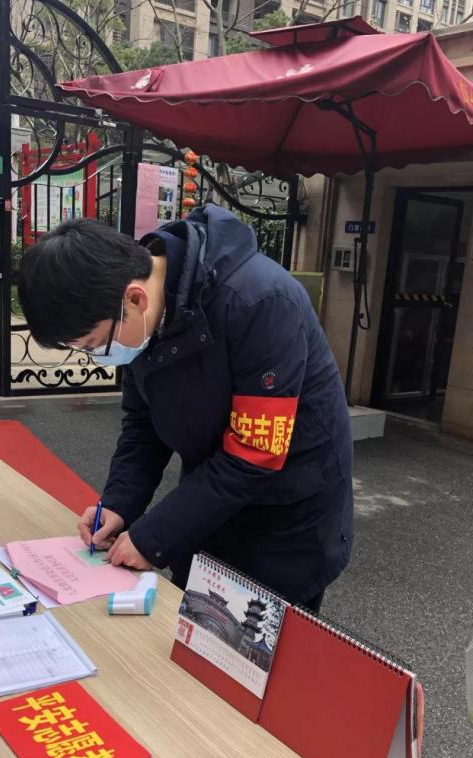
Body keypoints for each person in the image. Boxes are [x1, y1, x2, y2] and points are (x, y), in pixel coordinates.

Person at [19, 205, 353, 612]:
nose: (98, 357)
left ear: (135, 298)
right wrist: (120, 504)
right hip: (212, 498)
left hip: (288, 516)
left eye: (94, 345)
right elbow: (142, 425)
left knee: (256, 639)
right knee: (190, 626)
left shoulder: (260, 302)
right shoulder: (141, 317)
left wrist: (154, 537)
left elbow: (255, 452)